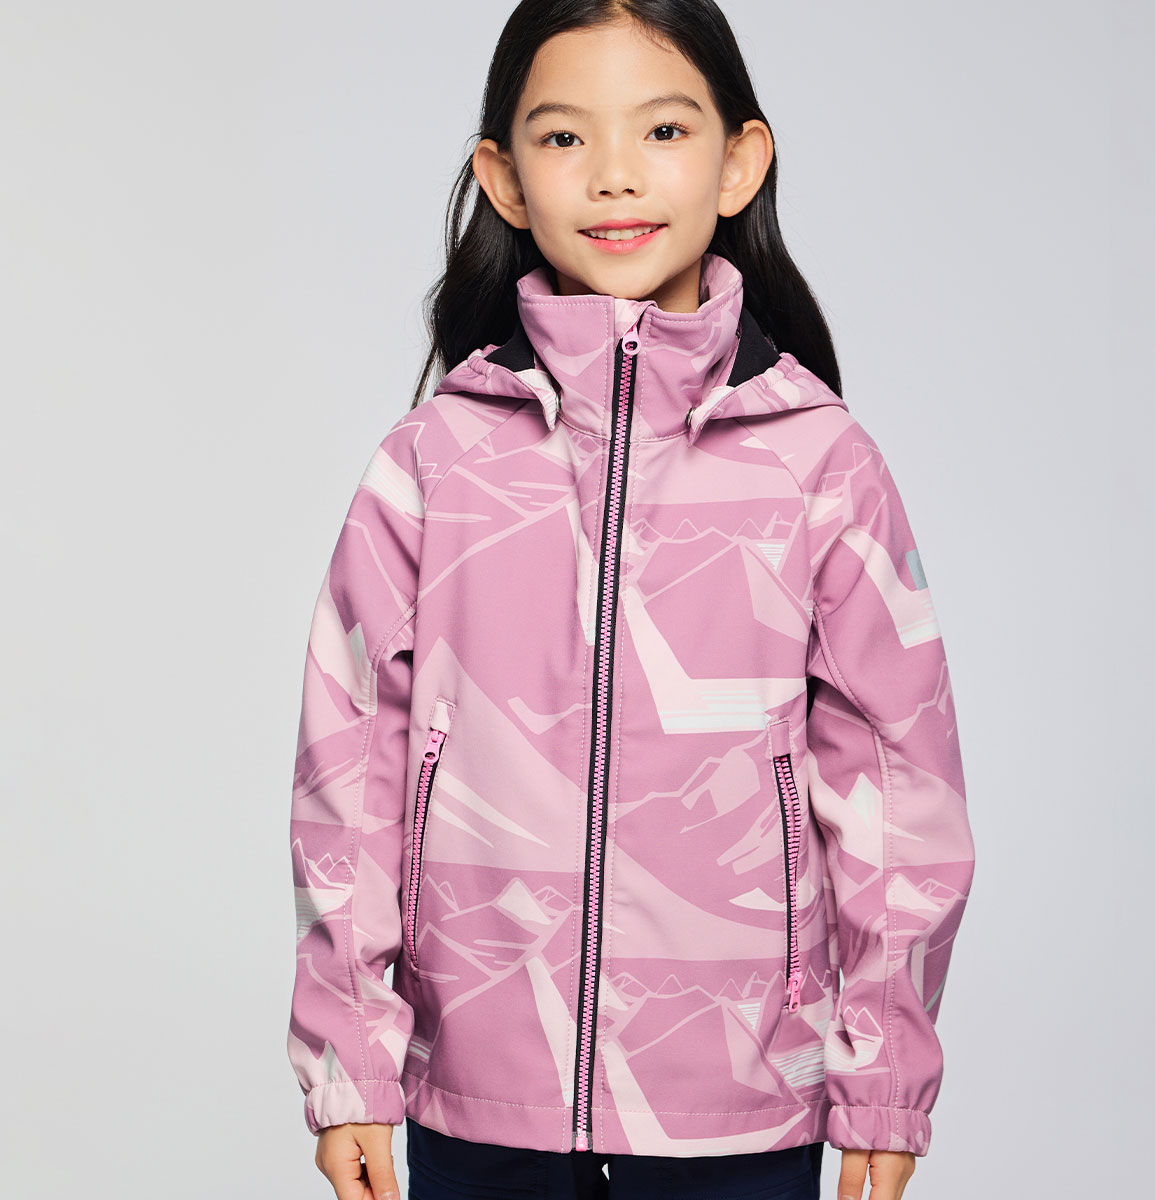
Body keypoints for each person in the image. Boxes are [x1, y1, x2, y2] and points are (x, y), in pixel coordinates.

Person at [285, 2, 976, 1198]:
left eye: (662, 130)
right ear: (503, 177)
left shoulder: (819, 465)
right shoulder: (435, 463)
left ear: (737, 163)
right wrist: (352, 1056)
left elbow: (897, 784)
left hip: (739, 1107)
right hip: (480, 1098)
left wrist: (884, 1080)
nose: (614, 174)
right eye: (564, 138)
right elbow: (349, 768)